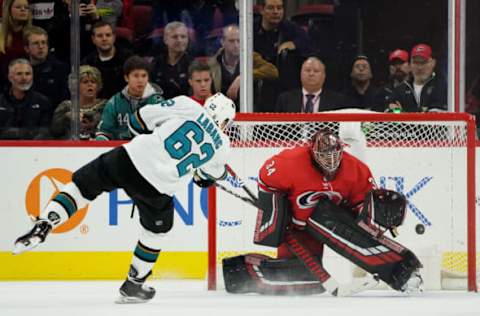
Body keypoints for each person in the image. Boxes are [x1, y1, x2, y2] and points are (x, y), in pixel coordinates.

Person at [13, 92, 237, 303]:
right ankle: (134, 284)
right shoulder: (222, 147)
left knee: (81, 187)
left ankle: (45, 223)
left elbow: (137, 121)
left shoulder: (188, 105)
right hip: (158, 188)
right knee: (156, 233)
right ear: (226, 122)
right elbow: (205, 179)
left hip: (129, 159)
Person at [222, 130, 424, 296]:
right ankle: (243, 271)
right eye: (324, 157)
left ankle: (401, 271)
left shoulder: (356, 170)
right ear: (312, 151)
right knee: (304, 279)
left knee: (322, 214)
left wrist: (372, 216)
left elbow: (361, 210)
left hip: (329, 221)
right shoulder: (289, 162)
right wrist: (277, 214)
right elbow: (267, 181)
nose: (330, 162)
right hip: (295, 229)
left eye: (335, 156)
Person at [95, 55, 163, 140]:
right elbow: (104, 132)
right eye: (136, 76)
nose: (140, 80)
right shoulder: (114, 103)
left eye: (144, 75)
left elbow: (165, 131)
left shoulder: (157, 103)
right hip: (120, 150)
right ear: (126, 78)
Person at [0, 58, 52, 139]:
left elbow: (45, 132)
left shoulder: (43, 102)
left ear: (32, 77)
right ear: (10, 77)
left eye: (27, 74)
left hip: (34, 149)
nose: (24, 78)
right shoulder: (1, 101)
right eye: (19, 74)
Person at [275, 56, 350, 113]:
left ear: (324, 76)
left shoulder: (338, 101)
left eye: (316, 71)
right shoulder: (285, 99)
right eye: (307, 70)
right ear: (300, 74)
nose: (311, 74)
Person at [50, 65, 107, 139]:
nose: (90, 85)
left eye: (93, 82)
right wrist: (66, 117)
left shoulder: (106, 106)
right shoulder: (65, 107)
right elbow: (54, 130)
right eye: (85, 82)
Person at [82, 21, 133, 100]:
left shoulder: (129, 60)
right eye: (100, 36)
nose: (104, 39)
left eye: (108, 35)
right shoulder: (87, 63)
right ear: (93, 39)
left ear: (114, 37)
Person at [388, 43, 447, 112]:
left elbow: (436, 113)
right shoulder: (400, 90)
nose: (419, 67)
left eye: (423, 62)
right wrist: (423, 110)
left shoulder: (442, 87)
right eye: (415, 62)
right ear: (410, 64)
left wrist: (404, 112)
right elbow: (393, 113)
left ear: (433, 63)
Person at [23, 26, 70, 109]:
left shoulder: (61, 70)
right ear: (27, 48)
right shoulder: (19, 69)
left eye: (43, 42)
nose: (41, 47)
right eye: (36, 43)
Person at [150, 21, 193, 100]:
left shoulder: (194, 65)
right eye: (175, 37)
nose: (179, 40)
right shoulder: (156, 63)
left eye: (183, 37)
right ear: (165, 40)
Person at [0, 0, 31, 89]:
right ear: (8, 11)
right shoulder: (1, 33)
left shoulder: (33, 34)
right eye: (18, 7)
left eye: (26, 7)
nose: (23, 10)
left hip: (27, 82)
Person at [208, 24, 240, 107]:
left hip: (247, 113)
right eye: (231, 41)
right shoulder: (211, 65)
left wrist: (242, 78)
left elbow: (272, 71)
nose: (236, 45)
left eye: (239, 41)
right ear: (222, 42)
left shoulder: (252, 61)